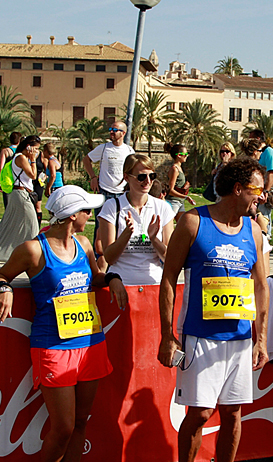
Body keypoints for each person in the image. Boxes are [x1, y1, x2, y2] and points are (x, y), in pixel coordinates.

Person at [0, 185, 128, 462]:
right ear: (72, 215)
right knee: (63, 427)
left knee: (81, 422)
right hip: (53, 346)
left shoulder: (83, 244)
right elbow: (2, 275)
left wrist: (112, 278)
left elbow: (95, 277)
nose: (89, 215)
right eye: (87, 211)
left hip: (91, 343)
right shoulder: (33, 250)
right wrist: (4, 290)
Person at [157, 157, 269, 462]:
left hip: (240, 338)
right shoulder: (193, 222)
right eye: (257, 189)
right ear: (237, 189)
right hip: (200, 336)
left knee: (233, 414)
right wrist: (168, 335)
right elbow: (168, 278)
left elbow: (261, 286)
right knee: (201, 413)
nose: (262, 196)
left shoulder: (254, 230)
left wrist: (261, 339)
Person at [98, 154, 175, 285]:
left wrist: (154, 239)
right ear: (127, 177)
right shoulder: (112, 207)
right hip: (122, 284)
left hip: (155, 284)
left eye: (152, 176)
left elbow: (170, 258)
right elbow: (109, 258)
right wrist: (127, 233)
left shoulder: (162, 208)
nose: (148, 181)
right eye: (141, 177)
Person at [83, 121, 135, 252]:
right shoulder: (104, 148)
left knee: (121, 224)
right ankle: (98, 255)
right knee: (100, 225)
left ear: (123, 133)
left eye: (115, 130)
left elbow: (133, 169)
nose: (111, 132)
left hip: (122, 194)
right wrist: (93, 177)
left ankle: (118, 252)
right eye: (110, 129)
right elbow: (86, 160)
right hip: (104, 192)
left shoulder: (129, 150)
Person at [0, 135, 42, 261]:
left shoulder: (21, 158)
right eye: (36, 149)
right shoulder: (21, 158)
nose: (37, 152)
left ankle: (14, 252)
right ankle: (32, 253)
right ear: (28, 147)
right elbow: (33, 175)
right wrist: (33, 160)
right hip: (21, 194)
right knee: (32, 224)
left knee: (11, 223)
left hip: (20, 194)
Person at [249, 130, 273, 238]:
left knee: (264, 217)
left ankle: (265, 237)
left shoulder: (269, 152)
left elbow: (271, 173)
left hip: (265, 190)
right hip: (257, 190)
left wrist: (265, 191)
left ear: (257, 139)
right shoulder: (258, 153)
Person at [165, 143, 196, 221]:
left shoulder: (179, 168)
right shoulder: (174, 169)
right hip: (173, 202)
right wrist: (186, 197)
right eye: (185, 154)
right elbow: (170, 190)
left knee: (182, 224)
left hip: (179, 202)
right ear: (179, 155)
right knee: (167, 225)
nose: (186, 156)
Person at [0, 131, 22, 208]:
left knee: (7, 203)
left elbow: (1, 167)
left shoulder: (6, 151)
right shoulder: (21, 151)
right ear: (19, 141)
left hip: (8, 178)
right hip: (18, 178)